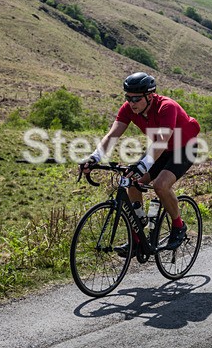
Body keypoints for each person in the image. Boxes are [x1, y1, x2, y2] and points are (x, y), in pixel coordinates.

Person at [80, 72, 201, 255]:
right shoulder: (128, 109)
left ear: (150, 96)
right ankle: (137, 237)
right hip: (162, 150)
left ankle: (178, 226)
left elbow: (162, 139)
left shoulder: (166, 107)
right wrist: (94, 158)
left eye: (136, 98)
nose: (131, 103)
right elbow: (112, 135)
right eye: (127, 97)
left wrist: (143, 165)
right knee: (132, 180)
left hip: (184, 149)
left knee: (160, 185)